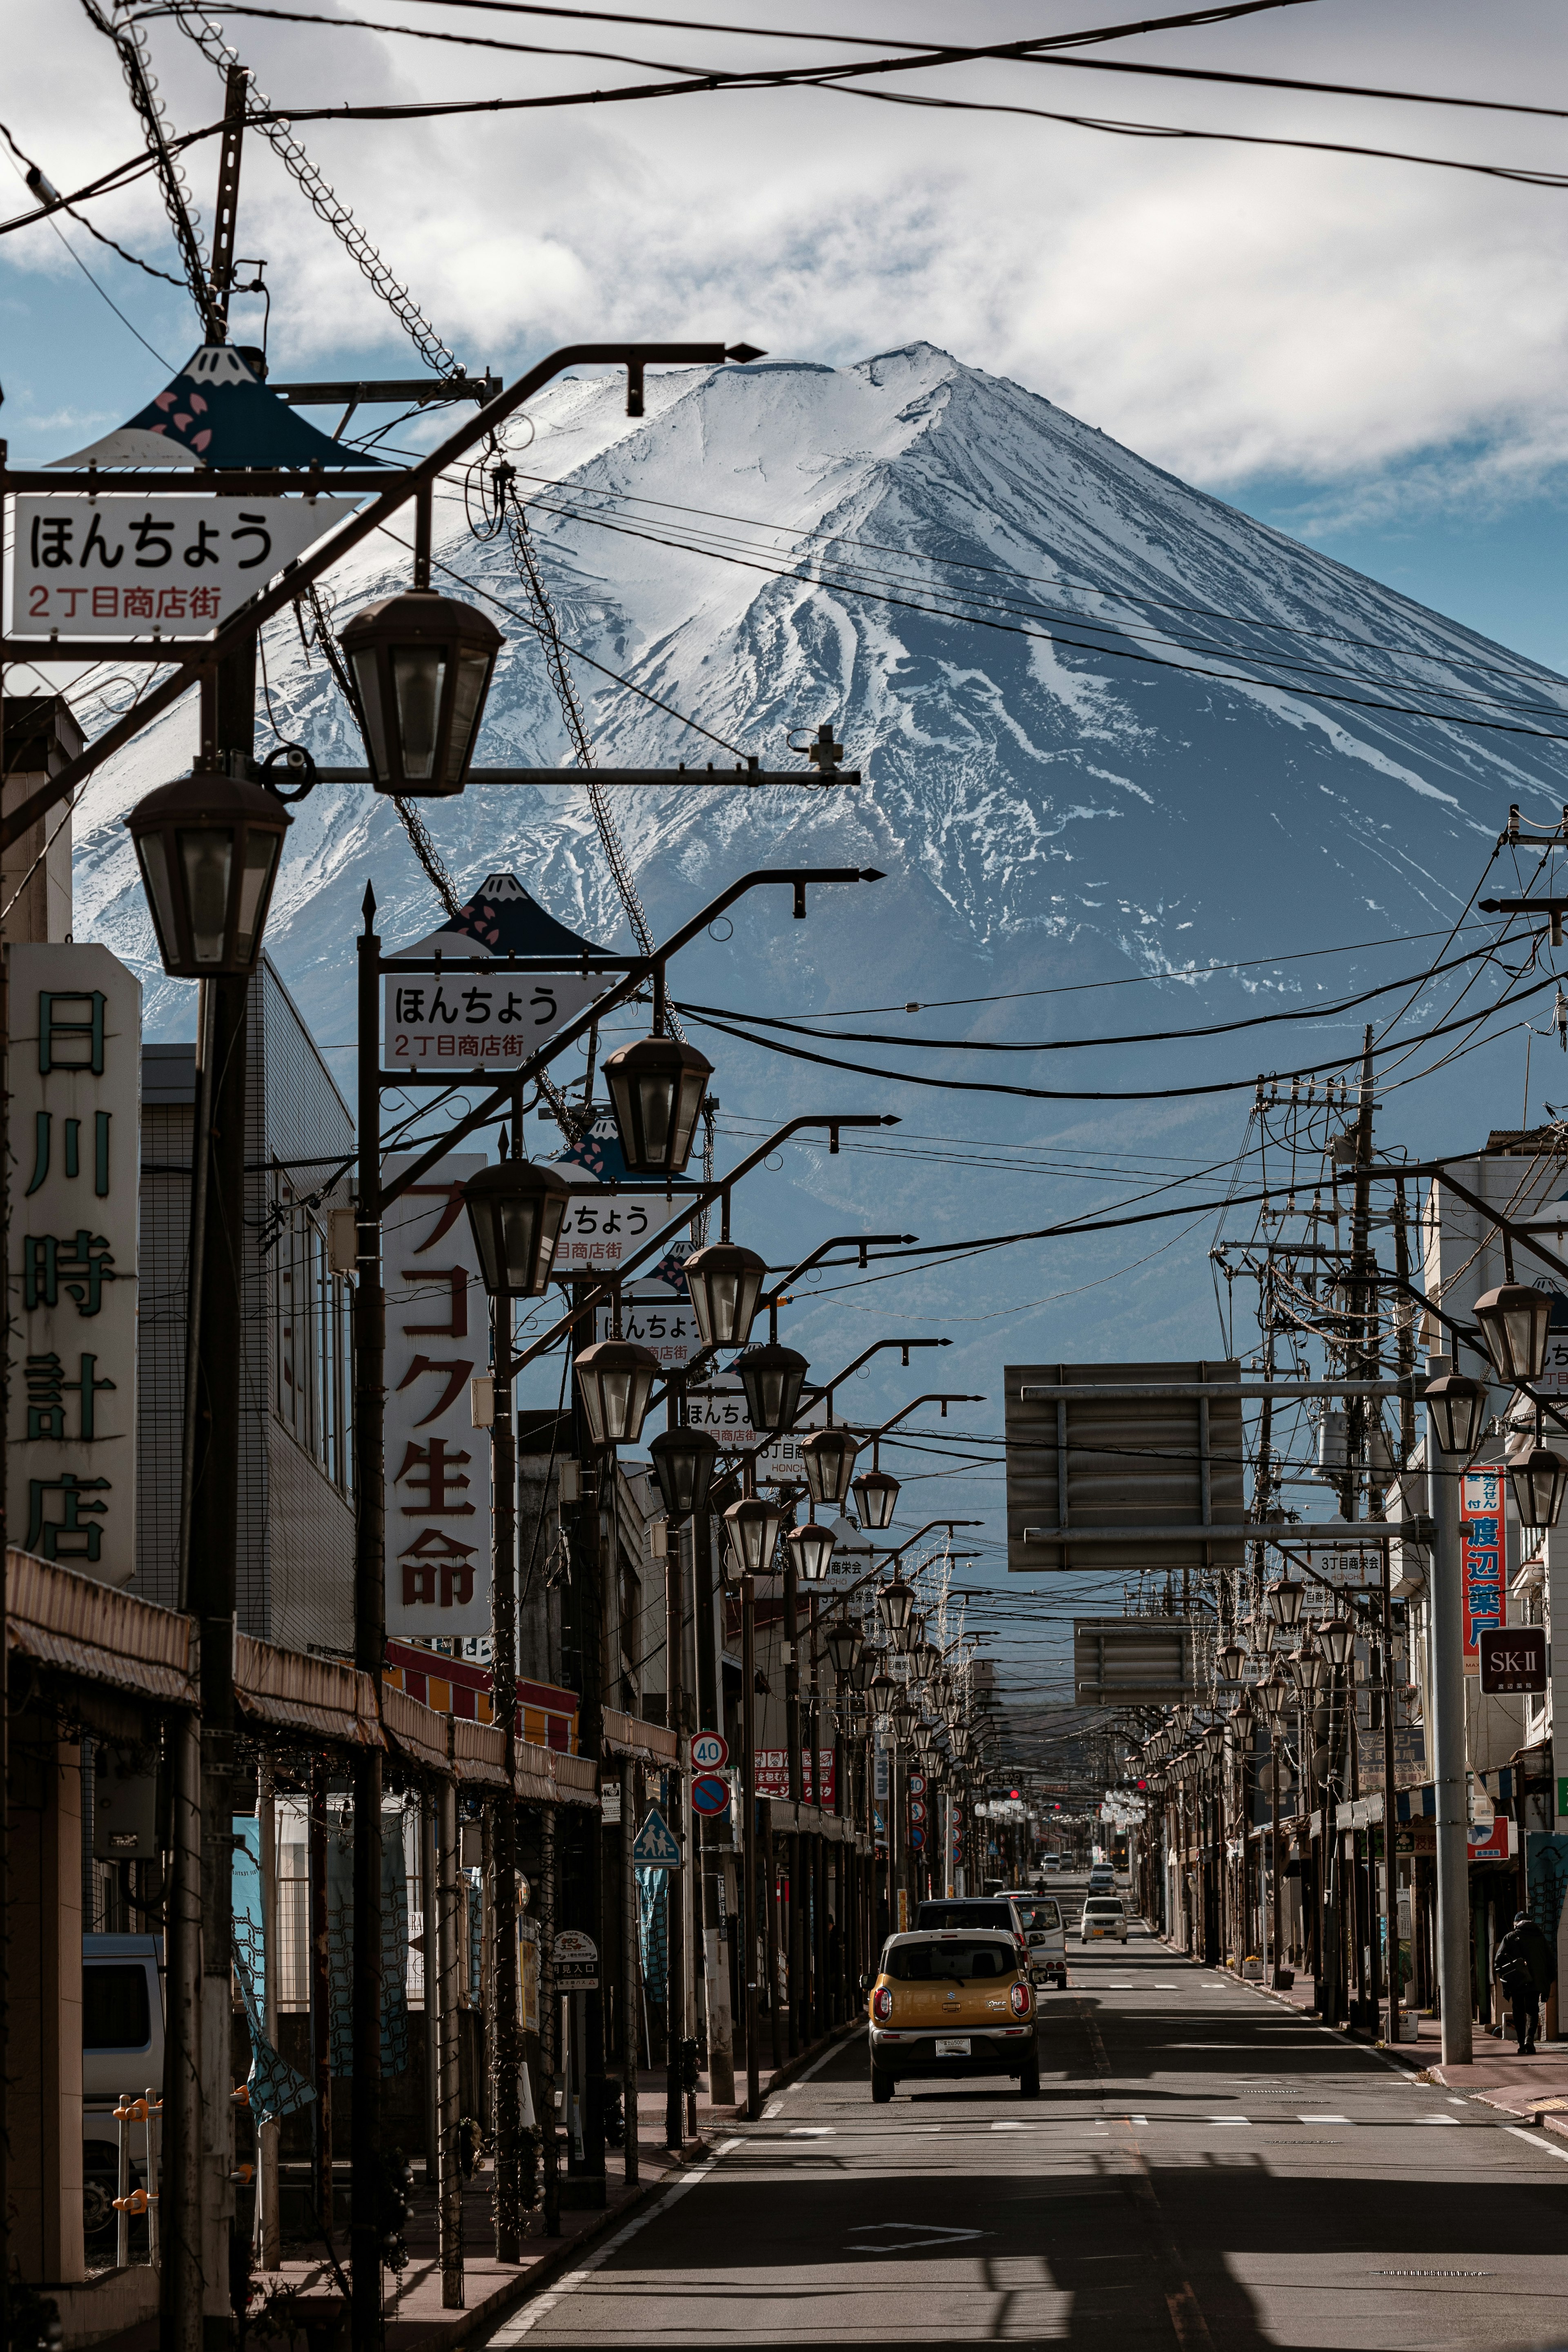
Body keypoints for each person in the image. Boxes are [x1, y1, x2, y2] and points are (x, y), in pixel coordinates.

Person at [1494, 1910, 1555, 2055]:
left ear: (1516, 1924)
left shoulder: (1511, 1937)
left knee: (1518, 2012)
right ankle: (1530, 2040)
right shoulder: (1541, 1938)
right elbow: (1551, 1963)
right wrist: (1547, 1983)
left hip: (1517, 1982)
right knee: (1533, 2011)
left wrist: (1506, 1977)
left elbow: (1498, 1961)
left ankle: (1522, 2044)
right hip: (1536, 1982)